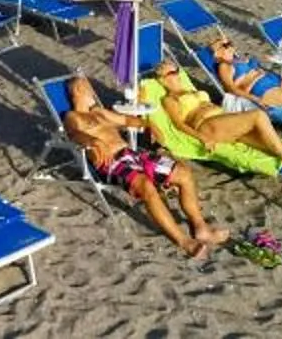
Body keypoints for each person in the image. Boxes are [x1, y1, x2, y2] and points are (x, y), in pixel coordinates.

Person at [61, 76, 222, 258]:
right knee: (146, 186)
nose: (92, 88)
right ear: (77, 91)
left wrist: (147, 125)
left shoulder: (99, 112)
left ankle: (200, 228)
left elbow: (127, 121)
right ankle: (183, 241)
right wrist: (94, 141)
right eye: (87, 85)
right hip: (112, 163)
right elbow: (74, 135)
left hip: (132, 155)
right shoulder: (72, 117)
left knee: (183, 173)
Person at [148, 61, 282, 174]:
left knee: (266, 141)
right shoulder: (170, 99)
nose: (178, 75)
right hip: (206, 126)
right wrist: (202, 138)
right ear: (162, 80)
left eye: (177, 70)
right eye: (172, 73)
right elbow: (179, 125)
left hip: (224, 122)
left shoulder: (188, 89)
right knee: (258, 116)